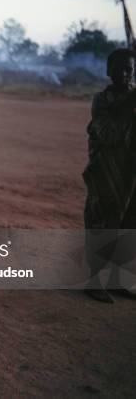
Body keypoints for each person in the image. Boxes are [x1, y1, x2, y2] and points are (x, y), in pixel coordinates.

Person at [83, 48, 136, 303]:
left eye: (129, 69)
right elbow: (108, 134)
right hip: (106, 173)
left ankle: (117, 281)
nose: (125, 74)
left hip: (130, 175)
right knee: (103, 224)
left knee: (128, 225)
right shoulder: (102, 100)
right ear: (109, 72)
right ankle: (94, 281)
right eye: (119, 69)